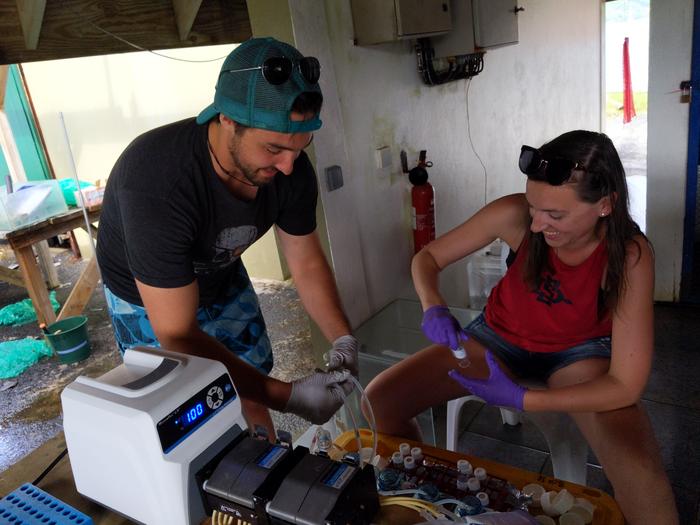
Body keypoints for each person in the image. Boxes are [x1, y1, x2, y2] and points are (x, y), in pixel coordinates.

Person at [365, 131, 678, 524]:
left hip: (577, 355)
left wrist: (523, 399)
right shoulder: (513, 214)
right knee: (379, 401)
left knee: (640, 471)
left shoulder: (630, 254)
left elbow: (626, 385)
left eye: (556, 216)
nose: (535, 226)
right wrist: (434, 305)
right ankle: (419, 501)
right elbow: (428, 258)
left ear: (605, 205)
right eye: (534, 208)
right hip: (498, 339)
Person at [96, 37, 359, 438]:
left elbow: (305, 261)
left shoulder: (291, 170)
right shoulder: (155, 180)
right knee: (189, 412)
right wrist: (289, 397)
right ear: (227, 120)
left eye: (299, 148)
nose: (289, 166)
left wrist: (343, 337)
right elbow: (177, 332)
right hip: (146, 299)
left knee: (251, 389)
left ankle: (262, 478)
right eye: (273, 148)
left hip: (221, 276)